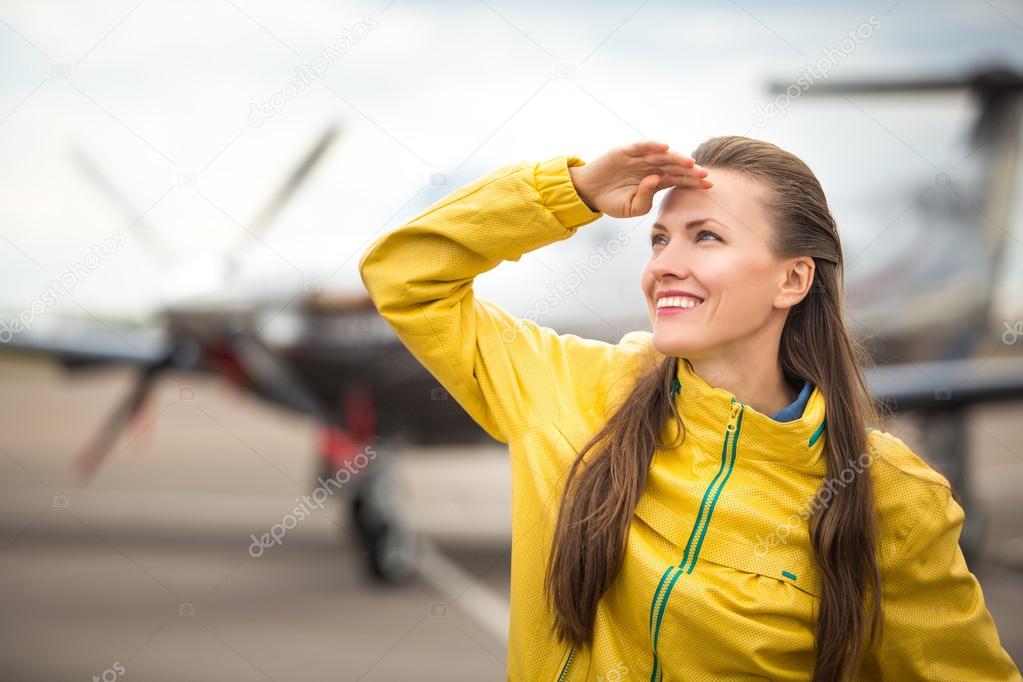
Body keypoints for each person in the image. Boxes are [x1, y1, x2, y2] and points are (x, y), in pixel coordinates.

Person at [358, 138, 1021, 681]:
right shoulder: (568, 389)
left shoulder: (891, 498)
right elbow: (406, 276)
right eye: (657, 239)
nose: (664, 266)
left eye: (705, 237)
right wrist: (573, 193)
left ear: (791, 279)